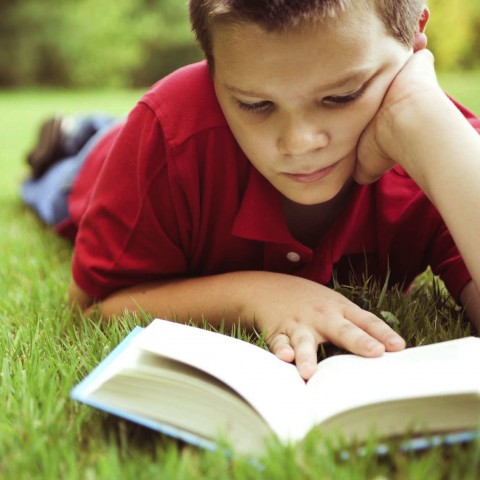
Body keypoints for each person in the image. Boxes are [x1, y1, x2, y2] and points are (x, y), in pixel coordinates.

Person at [22, 0, 480, 380]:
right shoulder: (167, 134)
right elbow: (93, 307)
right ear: (211, 68)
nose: (299, 143)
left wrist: (424, 121)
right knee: (69, 164)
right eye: (255, 104)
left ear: (416, 36)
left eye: (342, 96)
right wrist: (256, 295)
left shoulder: (445, 145)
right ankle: (73, 134)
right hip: (98, 165)